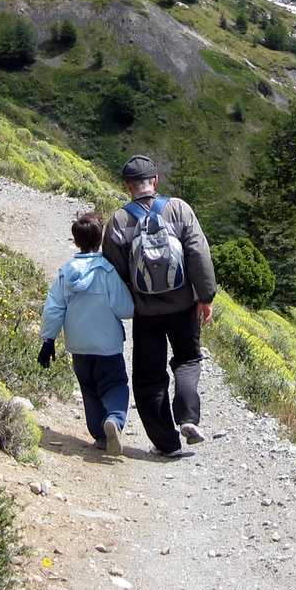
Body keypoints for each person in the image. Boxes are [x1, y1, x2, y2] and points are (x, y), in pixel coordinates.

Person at [102, 155, 217, 456]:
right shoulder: (179, 209)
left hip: (146, 313)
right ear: (155, 180)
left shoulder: (118, 221)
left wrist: (132, 301)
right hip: (183, 307)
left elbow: (115, 271)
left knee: (149, 379)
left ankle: (166, 444)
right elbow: (198, 254)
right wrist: (205, 297)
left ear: (127, 186)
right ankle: (188, 418)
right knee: (188, 360)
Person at [38, 211, 135, 455]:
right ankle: (114, 418)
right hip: (107, 345)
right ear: (101, 240)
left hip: (78, 346)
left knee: (89, 388)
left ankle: (101, 438)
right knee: (114, 383)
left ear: (76, 241)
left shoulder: (65, 273)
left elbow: (53, 309)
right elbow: (125, 308)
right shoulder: (107, 272)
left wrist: (48, 340)